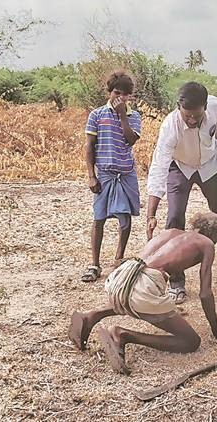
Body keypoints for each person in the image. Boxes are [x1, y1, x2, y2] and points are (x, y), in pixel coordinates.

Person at [68, 213, 217, 375]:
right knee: (191, 341)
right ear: (214, 236)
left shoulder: (171, 232)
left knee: (138, 298)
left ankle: (91, 315)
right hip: (143, 287)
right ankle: (122, 334)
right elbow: (205, 294)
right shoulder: (206, 244)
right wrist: (216, 330)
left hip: (121, 276)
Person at [146, 82, 217, 305]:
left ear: (205, 107)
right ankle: (176, 281)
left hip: (210, 166)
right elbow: (159, 167)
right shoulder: (170, 127)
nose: (191, 120)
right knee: (174, 218)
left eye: (196, 115)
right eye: (187, 115)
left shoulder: (214, 106)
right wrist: (151, 212)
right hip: (180, 167)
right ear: (178, 108)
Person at [82, 71, 142, 282]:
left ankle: (118, 258)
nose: (121, 98)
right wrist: (91, 176)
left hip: (125, 173)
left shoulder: (134, 116)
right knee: (99, 218)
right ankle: (94, 264)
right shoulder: (97, 115)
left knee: (124, 219)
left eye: (126, 95)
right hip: (105, 174)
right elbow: (90, 147)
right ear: (109, 92)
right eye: (117, 93)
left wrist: (122, 115)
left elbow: (131, 140)